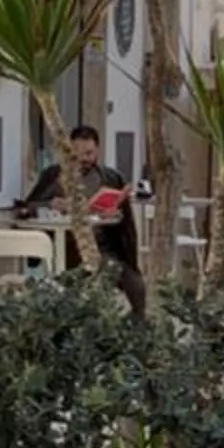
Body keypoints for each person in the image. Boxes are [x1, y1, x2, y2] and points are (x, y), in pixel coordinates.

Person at [16, 124, 145, 319]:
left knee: (134, 282)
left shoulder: (110, 177)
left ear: (97, 151)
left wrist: (113, 214)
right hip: (66, 247)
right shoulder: (53, 176)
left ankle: (137, 327)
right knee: (95, 279)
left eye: (89, 153)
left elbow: (123, 217)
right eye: (77, 153)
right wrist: (51, 204)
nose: (84, 159)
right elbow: (27, 207)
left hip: (102, 246)